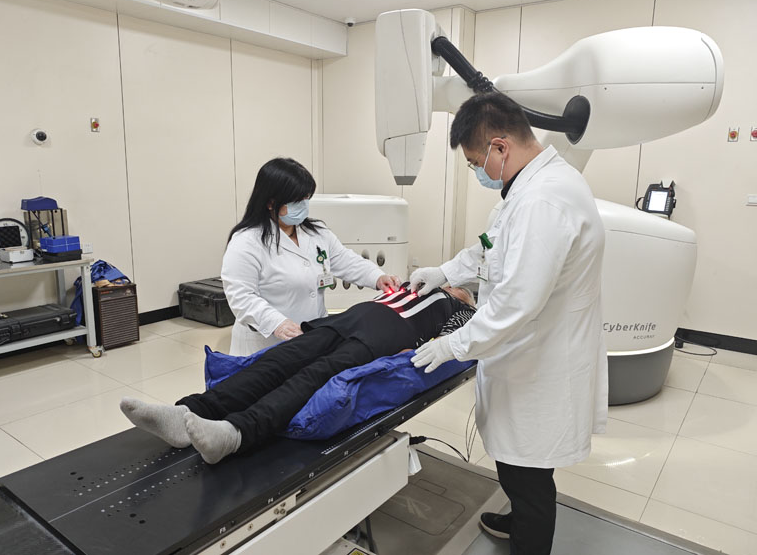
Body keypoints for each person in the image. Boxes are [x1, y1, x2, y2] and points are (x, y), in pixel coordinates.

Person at [409, 91, 608, 555]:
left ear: (500, 147)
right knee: (518, 468)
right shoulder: (530, 187)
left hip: (540, 364)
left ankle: (528, 539)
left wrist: (451, 345)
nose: (477, 171)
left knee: (529, 477)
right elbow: (490, 245)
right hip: (526, 356)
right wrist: (445, 271)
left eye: (475, 161)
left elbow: (517, 304)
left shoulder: (544, 201)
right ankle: (517, 517)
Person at [120, 284, 476, 464]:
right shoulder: (418, 286)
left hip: (383, 338)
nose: (453, 286)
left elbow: (453, 342)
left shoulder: (459, 307)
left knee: (311, 378)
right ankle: (187, 412)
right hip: (343, 320)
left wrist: (413, 353)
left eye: (459, 288)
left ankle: (235, 434)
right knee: (275, 362)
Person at [222, 157, 401, 356]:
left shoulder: (316, 232)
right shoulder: (246, 242)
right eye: (296, 201)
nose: (303, 205)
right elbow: (241, 296)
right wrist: (276, 323)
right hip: (265, 343)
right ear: (271, 202)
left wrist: (377, 277)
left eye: (306, 198)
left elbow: (346, 260)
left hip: (311, 336)